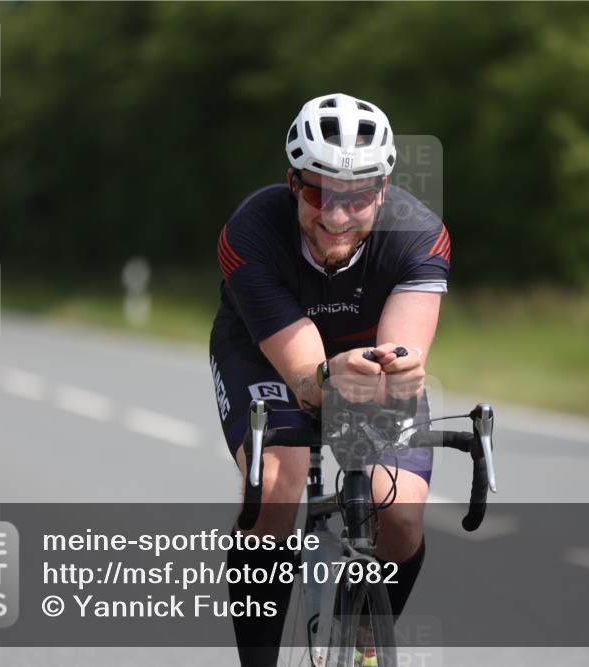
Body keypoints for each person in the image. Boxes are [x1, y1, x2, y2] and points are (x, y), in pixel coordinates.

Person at [209, 93, 450, 666]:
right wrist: (327, 380)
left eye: (358, 197)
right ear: (293, 183)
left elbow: (401, 358)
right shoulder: (251, 232)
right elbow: (306, 377)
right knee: (275, 483)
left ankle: (365, 637)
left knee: (402, 512)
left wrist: (400, 370)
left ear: (383, 191)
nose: (336, 217)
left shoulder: (420, 235)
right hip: (268, 354)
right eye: (318, 193)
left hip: (364, 360)